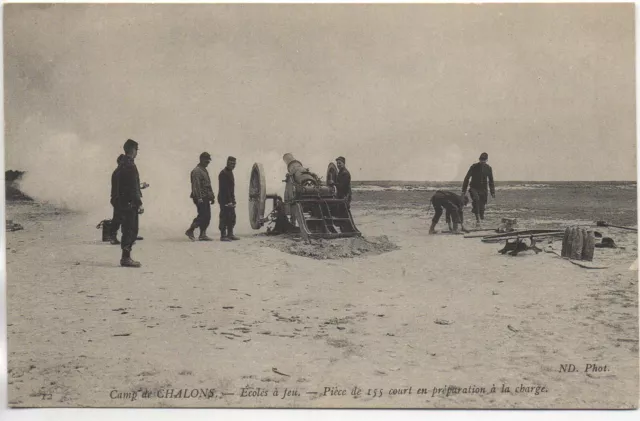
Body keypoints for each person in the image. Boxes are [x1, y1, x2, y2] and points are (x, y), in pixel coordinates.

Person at [112, 139, 144, 267]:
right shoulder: (130, 165)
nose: (137, 153)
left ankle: (125, 257)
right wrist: (139, 202)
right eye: (137, 150)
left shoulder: (120, 166)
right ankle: (126, 258)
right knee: (131, 229)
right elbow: (133, 187)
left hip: (121, 203)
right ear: (133, 150)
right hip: (130, 203)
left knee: (126, 229)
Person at [110, 155, 148, 245]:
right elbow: (126, 187)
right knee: (119, 218)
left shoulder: (117, 172)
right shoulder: (119, 172)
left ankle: (129, 236)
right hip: (119, 198)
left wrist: (140, 186)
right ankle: (114, 237)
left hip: (118, 198)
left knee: (121, 218)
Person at [186, 152, 215, 241]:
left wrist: (212, 196)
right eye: (206, 160)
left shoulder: (204, 170)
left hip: (205, 197)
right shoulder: (196, 171)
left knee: (207, 216)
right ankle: (190, 230)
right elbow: (196, 186)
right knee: (203, 215)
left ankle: (203, 234)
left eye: (208, 161)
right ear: (201, 159)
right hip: (200, 197)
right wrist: (199, 198)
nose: (208, 162)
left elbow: (208, 185)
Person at [462, 152, 495, 226]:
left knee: (482, 206)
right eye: (481, 160)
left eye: (484, 160)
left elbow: (491, 181)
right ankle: (477, 220)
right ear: (479, 159)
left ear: (486, 160)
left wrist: (492, 192)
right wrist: (463, 191)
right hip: (474, 188)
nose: (482, 161)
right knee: (476, 200)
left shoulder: (488, 168)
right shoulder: (474, 167)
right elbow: (467, 178)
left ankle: (481, 216)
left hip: (483, 190)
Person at [218, 156, 238, 241]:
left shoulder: (230, 172)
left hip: (230, 199)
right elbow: (225, 189)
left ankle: (230, 234)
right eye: (231, 163)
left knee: (232, 216)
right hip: (224, 199)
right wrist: (229, 201)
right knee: (224, 216)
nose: (232, 165)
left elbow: (231, 189)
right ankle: (223, 236)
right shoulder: (223, 173)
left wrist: (233, 200)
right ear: (227, 162)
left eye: (234, 163)